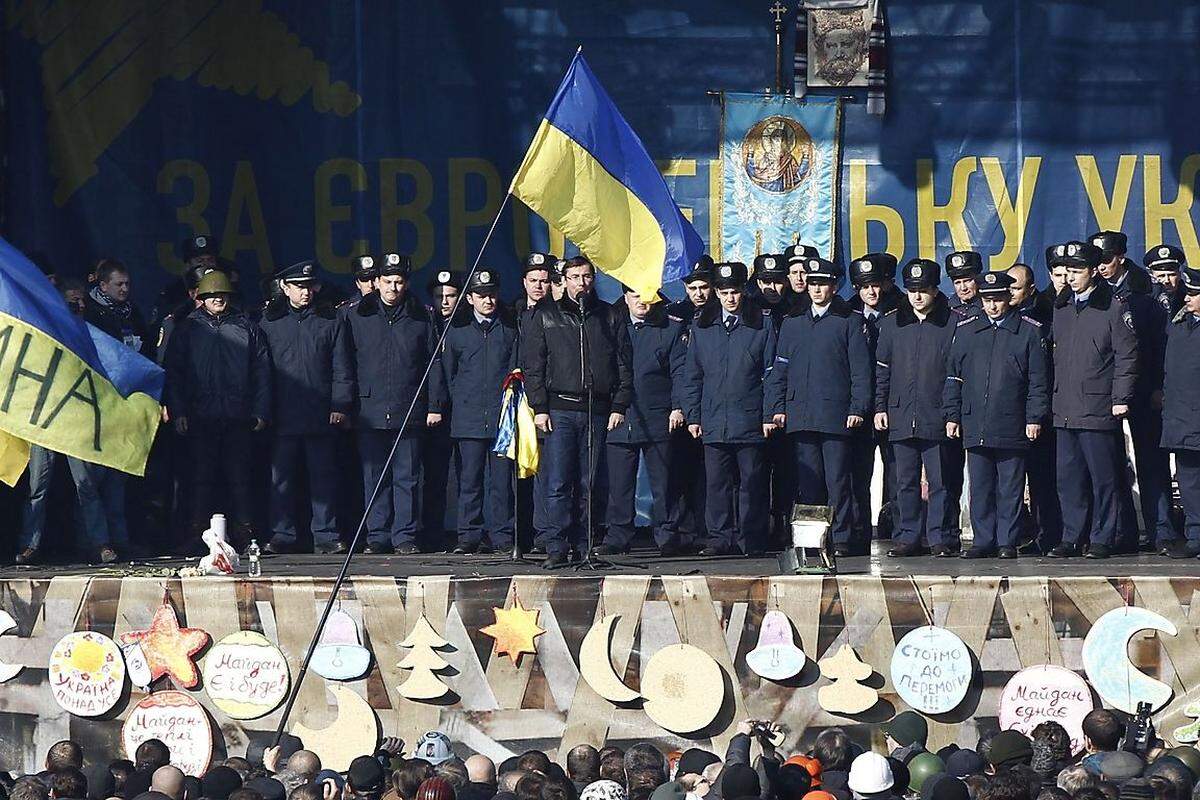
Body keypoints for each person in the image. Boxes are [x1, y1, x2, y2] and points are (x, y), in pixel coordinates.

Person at [524, 256, 632, 568]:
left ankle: (585, 546)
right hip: (559, 410)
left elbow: (623, 363)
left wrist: (619, 404)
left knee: (590, 482)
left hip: (596, 409)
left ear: (592, 279)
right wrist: (539, 407)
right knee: (558, 482)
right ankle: (557, 546)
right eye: (574, 277)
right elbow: (534, 365)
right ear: (565, 280)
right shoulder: (546, 314)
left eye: (586, 277)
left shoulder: (608, 315)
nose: (580, 283)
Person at [767, 256, 871, 556]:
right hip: (801, 415)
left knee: (838, 482)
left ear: (834, 287)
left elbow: (860, 372)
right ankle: (814, 540)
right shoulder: (792, 323)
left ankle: (841, 538)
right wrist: (777, 406)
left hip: (836, 416)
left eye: (822, 284)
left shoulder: (849, 322)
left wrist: (857, 408)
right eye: (812, 284)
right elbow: (780, 369)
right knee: (808, 485)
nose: (816, 289)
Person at [344, 253, 446, 555]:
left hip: (409, 407)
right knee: (374, 477)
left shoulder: (421, 316)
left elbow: (433, 363)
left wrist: (434, 405)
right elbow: (345, 363)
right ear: (376, 282)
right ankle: (377, 535)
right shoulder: (356, 315)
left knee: (408, 477)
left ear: (407, 283)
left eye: (399, 281)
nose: (393, 287)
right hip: (369, 410)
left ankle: (405, 535)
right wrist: (346, 404)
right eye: (387, 281)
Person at [943, 271, 1049, 559]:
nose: (992, 306)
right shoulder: (966, 330)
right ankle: (983, 540)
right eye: (987, 300)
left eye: (998, 299)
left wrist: (1034, 418)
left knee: (1010, 487)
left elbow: (1038, 381)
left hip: (1012, 421)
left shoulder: (1028, 330)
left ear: (1008, 298)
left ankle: (1006, 541)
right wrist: (953, 415)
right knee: (980, 486)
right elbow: (954, 377)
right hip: (975, 420)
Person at [164, 270, 270, 549]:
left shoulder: (246, 327)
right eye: (212, 296)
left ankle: (246, 534)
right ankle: (197, 534)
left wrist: (260, 410)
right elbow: (174, 373)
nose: (218, 299)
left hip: (238, 416)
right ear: (202, 298)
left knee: (241, 480)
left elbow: (262, 372)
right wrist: (179, 411)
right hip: (201, 416)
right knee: (200, 480)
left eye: (222, 295)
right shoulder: (187, 329)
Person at [1046, 241, 1138, 559]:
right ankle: (1072, 536)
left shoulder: (1113, 307)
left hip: (1098, 406)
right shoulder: (1061, 307)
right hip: (1066, 408)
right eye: (1067, 272)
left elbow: (1127, 355)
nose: (1070, 278)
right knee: (1068, 479)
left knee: (1104, 478)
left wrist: (1120, 397)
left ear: (1093, 271)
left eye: (1077, 271)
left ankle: (1103, 536)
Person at [681, 261, 776, 557]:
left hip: (749, 418)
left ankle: (752, 538)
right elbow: (692, 374)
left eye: (734, 292)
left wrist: (768, 415)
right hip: (713, 419)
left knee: (751, 483)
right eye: (723, 293)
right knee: (717, 484)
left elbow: (772, 372)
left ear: (743, 292)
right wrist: (693, 415)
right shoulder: (703, 325)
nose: (729, 299)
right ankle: (720, 538)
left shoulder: (761, 322)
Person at [258, 260, 353, 555]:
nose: (305, 292)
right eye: (298, 286)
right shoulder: (269, 322)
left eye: (309, 286)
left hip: (319, 411)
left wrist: (340, 403)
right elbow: (262, 372)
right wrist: (263, 410)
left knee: (323, 478)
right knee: (281, 480)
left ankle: (325, 534)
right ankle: (282, 533)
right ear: (285, 288)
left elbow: (342, 366)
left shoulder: (330, 319)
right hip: (283, 413)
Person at [1091, 230, 1175, 553]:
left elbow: (1158, 344)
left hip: (1141, 388)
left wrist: (1156, 386)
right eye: (1096, 261)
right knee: (1110, 464)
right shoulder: (1093, 289)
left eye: (1107, 261)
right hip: (1102, 392)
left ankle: (1162, 530)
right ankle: (1122, 531)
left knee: (1150, 461)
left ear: (1121, 258)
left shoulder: (1145, 289)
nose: (1101, 267)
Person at [594, 285, 688, 557]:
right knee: (619, 484)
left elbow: (680, 372)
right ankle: (618, 535)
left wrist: (678, 406)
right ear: (625, 297)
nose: (641, 302)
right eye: (635, 296)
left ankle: (667, 535)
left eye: (646, 296)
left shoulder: (669, 329)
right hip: (619, 416)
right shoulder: (609, 326)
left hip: (659, 415)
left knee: (664, 482)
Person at [876, 259, 959, 558]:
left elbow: (954, 372)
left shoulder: (952, 323)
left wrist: (952, 413)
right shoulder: (891, 323)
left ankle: (940, 537)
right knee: (904, 480)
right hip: (900, 414)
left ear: (936, 291)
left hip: (935, 413)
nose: (917, 297)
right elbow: (882, 371)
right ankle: (907, 535)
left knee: (940, 481)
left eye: (923, 290)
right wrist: (880, 407)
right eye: (912, 290)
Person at [442, 269, 518, 554]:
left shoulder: (509, 329)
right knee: (469, 481)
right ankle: (468, 535)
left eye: (492, 295)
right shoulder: (457, 331)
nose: (488, 301)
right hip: (468, 418)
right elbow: (448, 374)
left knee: (501, 483)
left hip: (501, 419)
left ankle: (502, 535)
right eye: (482, 296)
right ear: (470, 298)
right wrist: (455, 404)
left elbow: (515, 373)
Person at [847, 252, 903, 547]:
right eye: (864, 286)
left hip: (892, 404)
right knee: (858, 470)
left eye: (876, 285)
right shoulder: (847, 314)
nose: (871, 292)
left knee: (896, 470)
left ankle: (896, 527)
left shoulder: (900, 313)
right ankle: (858, 529)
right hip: (860, 406)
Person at [1008, 262, 1061, 552]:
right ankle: (1021, 533)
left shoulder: (1045, 315)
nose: (1011, 292)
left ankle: (1048, 534)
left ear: (1030, 289)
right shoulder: (1005, 316)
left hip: (1040, 411)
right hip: (1011, 411)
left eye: (1016, 287)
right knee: (1013, 481)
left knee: (1043, 479)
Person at [753, 254, 796, 546]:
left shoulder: (798, 309)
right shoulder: (750, 312)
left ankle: (784, 523)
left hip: (791, 402)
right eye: (766, 281)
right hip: (755, 404)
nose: (772, 288)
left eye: (778, 281)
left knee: (788, 470)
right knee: (754, 472)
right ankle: (758, 526)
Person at [515, 253, 556, 555]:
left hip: (546, 402)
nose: (539, 286)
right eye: (534, 281)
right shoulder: (513, 312)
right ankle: (516, 535)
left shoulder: (557, 314)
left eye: (544, 281)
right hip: (515, 400)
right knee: (516, 470)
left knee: (545, 470)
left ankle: (545, 533)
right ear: (524, 283)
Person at [423, 269, 465, 549]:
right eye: (440, 297)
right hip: (433, 412)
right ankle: (432, 532)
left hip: (463, 410)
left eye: (451, 296)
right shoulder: (425, 323)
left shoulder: (465, 325)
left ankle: (465, 532)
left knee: (468, 476)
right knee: (433, 477)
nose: (445, 302)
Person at [1160, 265, 1200, 557]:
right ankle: (1196, 535)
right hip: (1182, 418)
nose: (1187, 298)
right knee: (1188, 480)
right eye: (1187, 293)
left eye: (1194, 294)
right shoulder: (1178, 324)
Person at [1146, 245, 1185, 317]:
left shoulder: (1190, 298)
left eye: (1172, 275)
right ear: (1152, 277)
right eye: (1161, 276)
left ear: (1179, 275)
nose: (1167, 280)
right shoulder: (1145, 299)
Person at [945, 251, 983, 317]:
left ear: (978, 278)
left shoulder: (990, 307)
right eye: (957, 283)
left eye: (967, 281)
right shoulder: (945, 310)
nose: (963, 288)